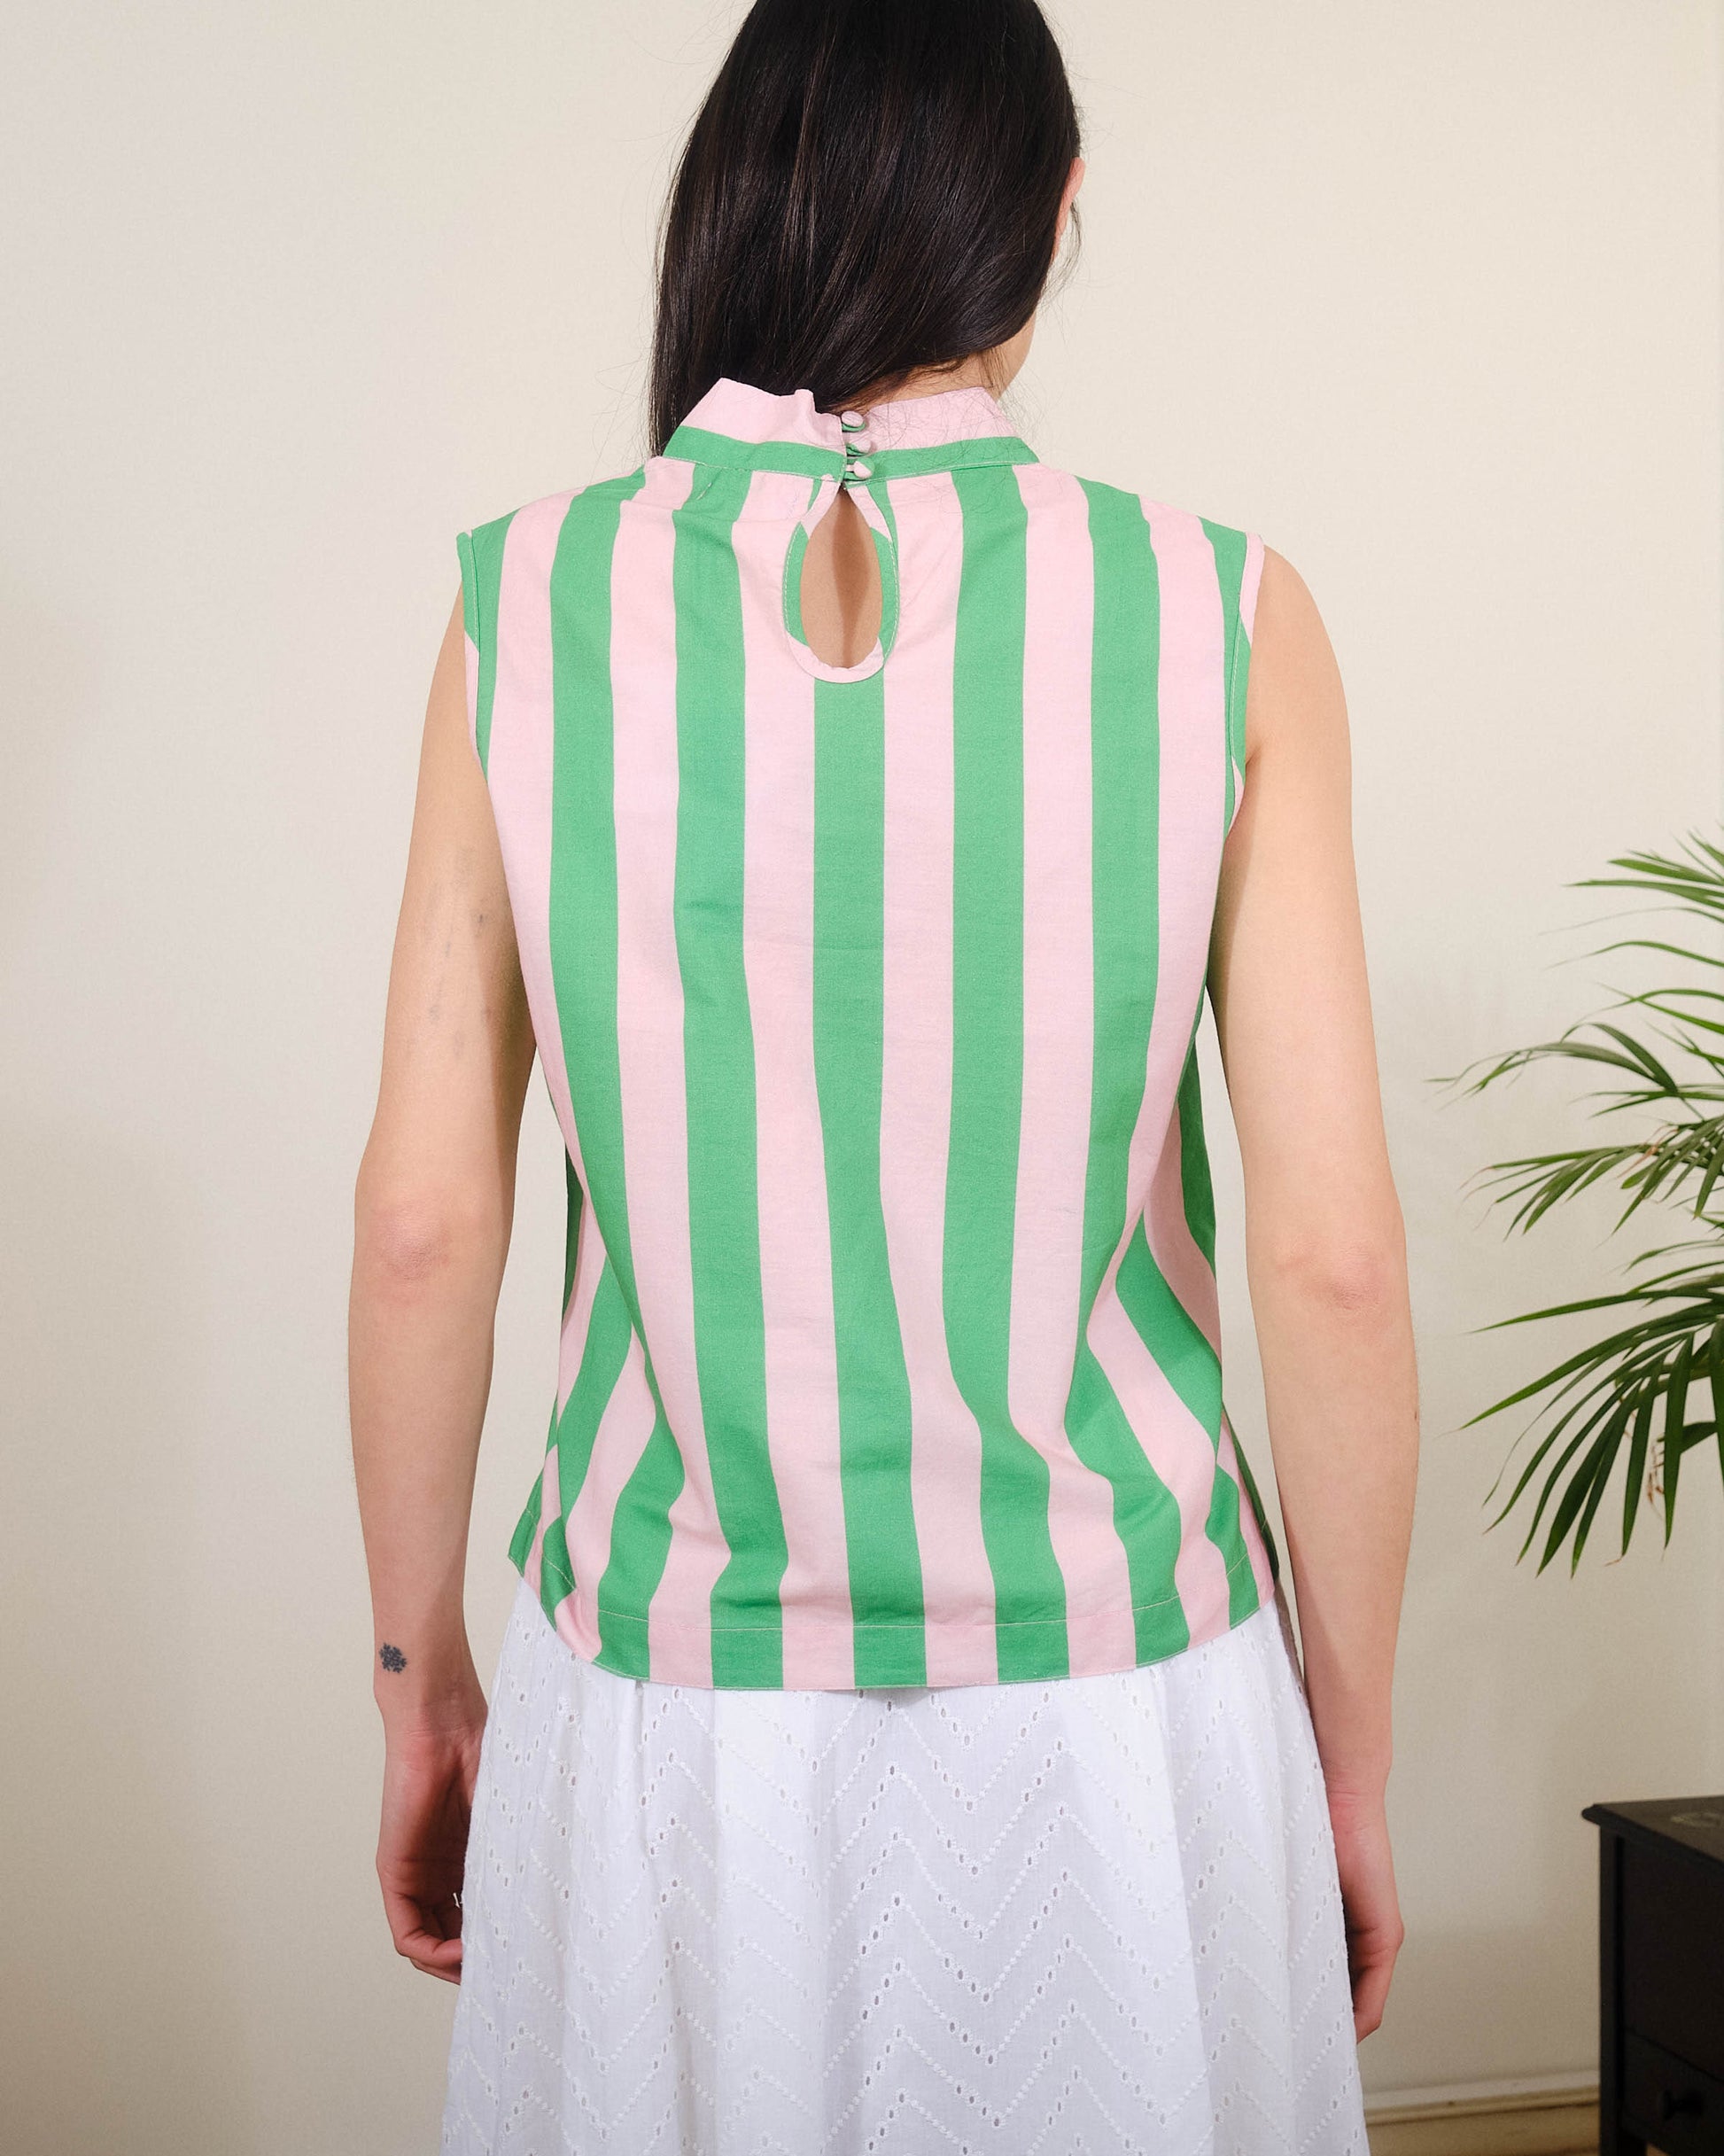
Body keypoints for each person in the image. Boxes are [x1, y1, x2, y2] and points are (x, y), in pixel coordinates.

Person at [348, 1, 1419, 2148]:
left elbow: (422, 1223)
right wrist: (1353, 1753)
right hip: (1118, 1686)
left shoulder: (524, 601)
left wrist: (418, 1683)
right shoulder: (1221, 609)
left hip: (668, 1689)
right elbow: (1330, 1260)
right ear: (1047, 209)